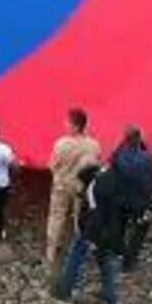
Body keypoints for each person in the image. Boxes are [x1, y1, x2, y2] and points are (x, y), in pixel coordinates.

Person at [52, 162, 128, 304]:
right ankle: (112, 298)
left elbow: (95, 216)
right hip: (113, 230)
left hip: (96, 230)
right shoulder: (113, 177)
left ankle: (68, 291)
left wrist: (90, 237)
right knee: (106, 261)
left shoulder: (94, 189)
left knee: (77, 257)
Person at [44, 108, 103, 267]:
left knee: (57, 216)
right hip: (81, 187)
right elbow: (96, 165)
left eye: (68, 122)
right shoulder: (94, 145)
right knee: (79, 217)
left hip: (62, 186)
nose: (65, 125)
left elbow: (52, 165)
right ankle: (79, 249)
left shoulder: (61, 144)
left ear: (75, 126)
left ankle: (52, 250)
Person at [110, 126, 152, 271]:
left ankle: (117, 251)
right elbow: (150, 164)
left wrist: (120, 143)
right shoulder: (146, 158)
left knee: (120, 225)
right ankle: (128, 262)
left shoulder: (119, 157)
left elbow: (112, 159)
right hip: (140, 200)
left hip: (121, 198)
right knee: (140, 230)